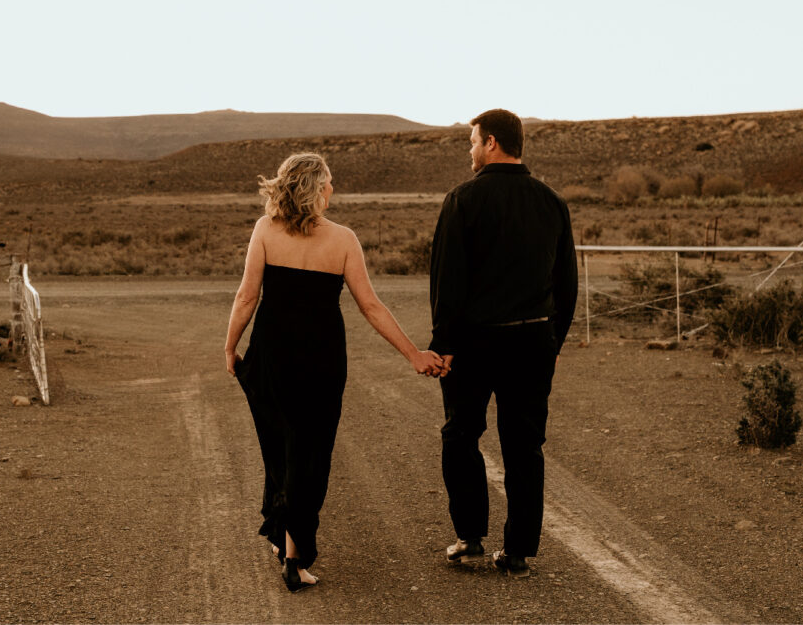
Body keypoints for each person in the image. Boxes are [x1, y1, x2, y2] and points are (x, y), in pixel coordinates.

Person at [225, 152, 444, 592]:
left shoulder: (265, 229)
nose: (332, 189)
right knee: (310, 452)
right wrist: (413, 354)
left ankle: (282, 533)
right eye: (328, 182)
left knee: (280, 447)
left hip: (272, 354)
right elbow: (371, 306)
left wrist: (230, 346)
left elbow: (247, 296)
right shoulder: (343, 239)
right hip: (322, 359)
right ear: (316, 189)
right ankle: (293, 555)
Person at [429, 109, 578, 578]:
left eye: (473, 142)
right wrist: (553, 342)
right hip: (533, 340)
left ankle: (470, 537)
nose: (471, 151)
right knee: (524, 445)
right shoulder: (552, 202)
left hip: (473, 343)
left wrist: (443, 343)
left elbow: (447, 281)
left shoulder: (463, 200)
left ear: (491, 142)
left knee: (460, 435)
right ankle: (517, 553)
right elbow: (567, 284)